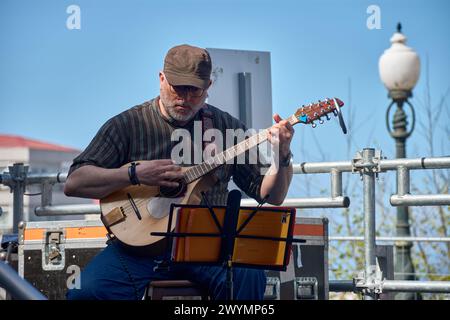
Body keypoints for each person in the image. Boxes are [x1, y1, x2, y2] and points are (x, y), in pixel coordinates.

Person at [64, 44, 295, 300]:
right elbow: (75, 182)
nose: (184, 98)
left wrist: (281, 154)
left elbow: (272, 195)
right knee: (86, 293)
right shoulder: (128, 124)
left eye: (194, 90)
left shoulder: (227, 127)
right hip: (136, 250)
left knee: (248, 275)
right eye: (177, 87)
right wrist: (133, 174)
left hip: (208, 248)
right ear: (161, 79)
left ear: (208, 86)